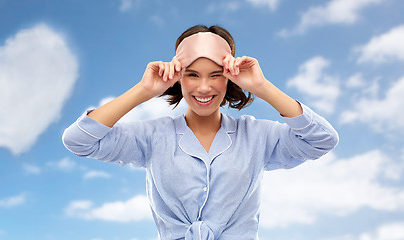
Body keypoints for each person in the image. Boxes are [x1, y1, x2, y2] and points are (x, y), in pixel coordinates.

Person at [62, 25, 338, 240]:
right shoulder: (153, 136)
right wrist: (143, 91)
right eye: (192, 74)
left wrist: (262, 86)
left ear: (229, 76)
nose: (204, 87)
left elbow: (322, 140)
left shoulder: (257, 136)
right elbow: (79, 141)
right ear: (178, 76)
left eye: (215, 74)